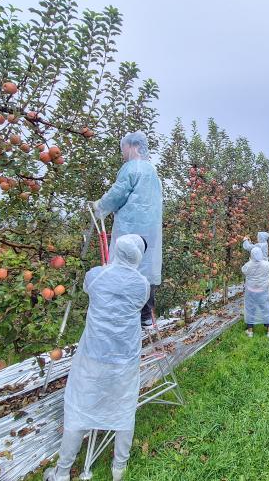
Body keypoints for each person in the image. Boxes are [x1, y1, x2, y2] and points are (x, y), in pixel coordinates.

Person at [44, 235, 149, 481]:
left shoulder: (96, 275)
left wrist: (107, 268)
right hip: (125, 355)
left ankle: (62, 471)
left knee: (80, 406)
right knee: (124, 406)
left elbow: (90, 289)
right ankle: (119, 468)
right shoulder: (142, 284)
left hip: (93, 353)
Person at [93, 131, 162, 327]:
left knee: (125, 263)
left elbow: (117, 194)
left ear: (133, 147)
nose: (123, 152)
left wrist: (100, 206)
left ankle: (124, 312)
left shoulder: (131, 168)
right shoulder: (152, 170)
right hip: (151, 228)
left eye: (124, 148)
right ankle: (146, 314)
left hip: (131, 225)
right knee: (146, 266)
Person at [242, 247, 269, 337]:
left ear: (251, 255)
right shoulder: (266, 264)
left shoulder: (248, 265)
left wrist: (250, 261)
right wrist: (265, 260)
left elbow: (243, 270)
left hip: (251, 291)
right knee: (266, 308)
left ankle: (250, 331)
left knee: (250, 309)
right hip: (263, 290)